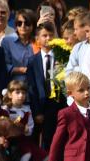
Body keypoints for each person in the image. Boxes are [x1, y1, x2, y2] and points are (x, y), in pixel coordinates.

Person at [26, 22, 67, 150]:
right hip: (41, 105)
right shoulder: (33, 60)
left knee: (59, 139)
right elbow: (31, 88)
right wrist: (37, 111)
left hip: (58, 104)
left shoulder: (62, 57)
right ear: (37, 39)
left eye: (51, 35)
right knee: (44, 141)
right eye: (44, 35)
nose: (48, 38)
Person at [2, 80, 48, 161]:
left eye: (23, 93)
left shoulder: (27, 110)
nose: (21, 96)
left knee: (45, 155)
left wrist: (27, 129)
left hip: (24, 139)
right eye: (17, 92)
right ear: (9, 94)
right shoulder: (6, 110)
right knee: (26, 152)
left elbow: (30, 128)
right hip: (12, 141)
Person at [1, 9, 37, 82]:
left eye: (27, 23)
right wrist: (24, 70)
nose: (23, 26)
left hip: (34, 85)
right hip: (14, 85)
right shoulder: (7, 41)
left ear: (33, 25)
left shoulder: (38, 42)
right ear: (16, 25)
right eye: (19, 23)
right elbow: (5, 66)